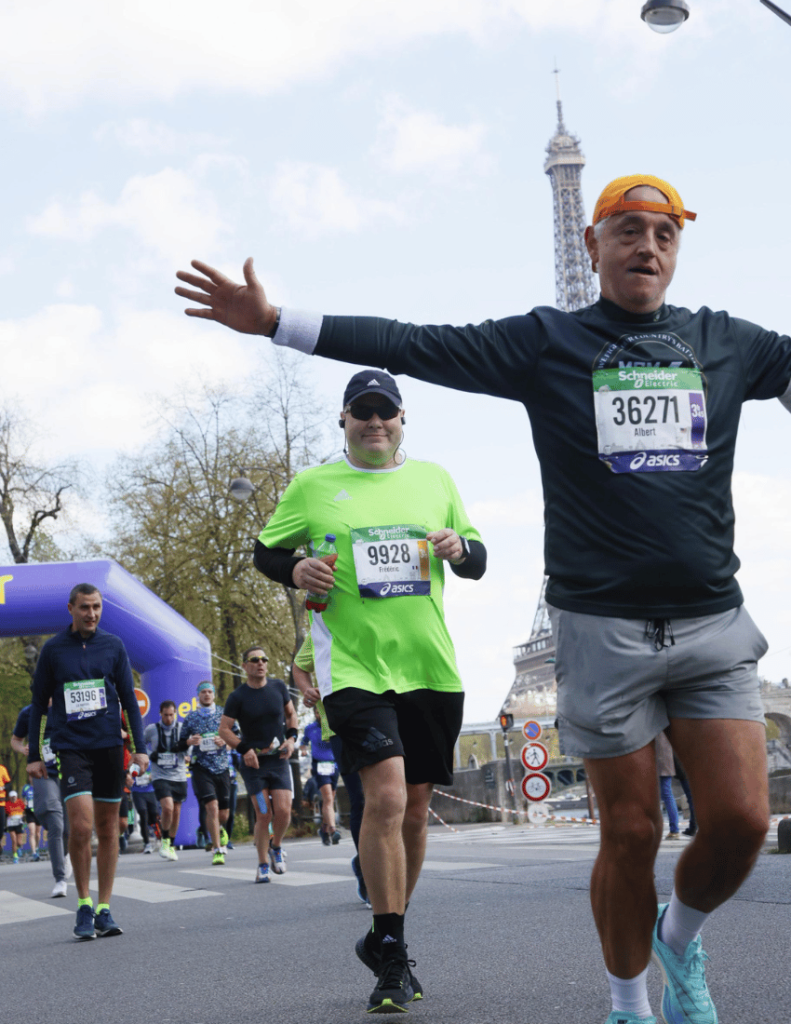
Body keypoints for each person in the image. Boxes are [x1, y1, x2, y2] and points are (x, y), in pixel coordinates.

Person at [176, 172, 791, 1024]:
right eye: (627, 230)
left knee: (742, 823)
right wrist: (277, 322)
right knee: (633, 830)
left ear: (677, 248)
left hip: (711, 618)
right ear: (592, 243)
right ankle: (629, 1005)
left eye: (663, 233)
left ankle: (677, 935)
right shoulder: (548, 343)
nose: (646, 246)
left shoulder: (726, 342)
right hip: (598, 624)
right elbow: (415, 340)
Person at [228, 369, 485, 1012]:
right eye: (362, 413)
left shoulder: (435, 480)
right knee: (388, 793)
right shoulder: (315, 487)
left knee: (419, 809)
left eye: (386, 412)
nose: (376, 423)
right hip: (352, 670)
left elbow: (478, 559)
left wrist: (459, 547)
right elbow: (264, 553)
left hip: (429, 667)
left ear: (403, 419)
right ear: (343, 420)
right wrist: (294, 567)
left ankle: (383, 929)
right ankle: (394, 959)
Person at [26, 583, 148, 940]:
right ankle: (82, 903)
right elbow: (38, 706)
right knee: (80, 826)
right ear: (71, 609)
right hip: (71, 748)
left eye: (96, 607)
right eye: (84, 608)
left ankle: (104, 907)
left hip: (110, 746)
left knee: (109, 829)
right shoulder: (53, 650)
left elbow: (128, 698)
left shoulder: (113, 646)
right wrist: (34, 755)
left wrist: (139, 747)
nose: (91, 614)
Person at [292, 632, 369, 905]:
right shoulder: (322, 628)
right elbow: (300, 666)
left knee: (388, 797)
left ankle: (375, 861)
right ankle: (367, 868)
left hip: (379, 717)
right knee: (355, 797)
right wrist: (307, 691)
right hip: (338, 731)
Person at [219, 647, 297, 883]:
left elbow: (291, 714)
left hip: (279, 761)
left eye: (264, 659)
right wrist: (244, 749)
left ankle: (276, 846)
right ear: (245, 666)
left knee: (283, 811)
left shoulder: (278, 687)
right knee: (264, 813)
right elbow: (224, 729)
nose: (261, 663)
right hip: (254, 767)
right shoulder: (237, 697)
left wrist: (292, 739)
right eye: (255, 660)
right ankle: (263, 864)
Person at [11, 701, 71, 896]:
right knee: (56, 822)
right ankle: (60, 879)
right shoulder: (28, 712)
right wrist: (22, 749)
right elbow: (15, 740)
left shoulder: (66, 706)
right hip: (44, 772)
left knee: (69, 829)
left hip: (70, 769)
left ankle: (67, 853)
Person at [181, 681, 231, 864]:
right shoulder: (191, 717)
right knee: (211, 807)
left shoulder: (224, 714)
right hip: (201, 767)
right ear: (198, 696)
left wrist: (225, 741)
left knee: (224, 813)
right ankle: (217, 849)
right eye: (203, 692)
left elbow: (237, 737)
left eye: (210, 691)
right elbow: (180, 742)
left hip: (222, 767)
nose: (207, 695)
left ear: (214, 695)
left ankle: (221, 829)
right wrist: (189, 742)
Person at [145, 699, 189, 861]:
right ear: (160, 714)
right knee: (168, 808)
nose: (169, 719)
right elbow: (140, 745)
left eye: (171, 715)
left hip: (179, 776)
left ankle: (171, 844)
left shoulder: (182, 729)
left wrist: (188, 753)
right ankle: (164, 840)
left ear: (175, 714)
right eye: (165, 715)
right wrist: (151, 755)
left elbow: (189, 747)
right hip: (160, 775)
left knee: (176, 812)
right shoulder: (152, 729)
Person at [301, 705, 341, 846]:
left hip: (334, 764)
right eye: (317, 712)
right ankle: (333, 830)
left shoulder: (333, 726)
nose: (319, 714)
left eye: (321, 712)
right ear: (315, 713)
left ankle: (323, 830)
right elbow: (303, 742)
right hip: (319, 764)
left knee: (330, 799)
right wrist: (304, 750)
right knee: (328, 798)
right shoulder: (310, 728)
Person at [655, 731, 680, 841]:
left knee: (662, 795)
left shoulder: (651, 725)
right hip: (666, 763)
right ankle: (674, 830)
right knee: (667, 794)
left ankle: (670, 830)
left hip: (657, 763)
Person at [130, 761, 159, 853]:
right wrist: (130, 779)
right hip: (138, 792)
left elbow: (157, 773)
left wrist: (151, 776)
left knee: (155, 815)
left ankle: (159, 837)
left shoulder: (150, 763)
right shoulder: (131, 764)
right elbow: (127, 777)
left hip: (150, 791)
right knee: (143, 815)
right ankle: (147, 843)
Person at [5, 791, 26, 862]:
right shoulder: (7, 804)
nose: (13, 798)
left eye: (14, 796)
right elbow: (6, 813)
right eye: (12, 797)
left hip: (19, 823)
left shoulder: (20, 802)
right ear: (9, 797)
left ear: (16, 797)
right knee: (14, 840)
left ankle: (19, 848)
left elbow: (23, 811)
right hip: (11, 824)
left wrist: (22, 816)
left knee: (19, 842)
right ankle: (15, 856)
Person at [21, 783, 40, 860]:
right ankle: (34, 852)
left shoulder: (39, 785)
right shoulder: (26, 787)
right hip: (29, 812)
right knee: (32, 832)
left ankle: (37, 847)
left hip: (38, 811)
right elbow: (23, 798)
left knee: (37, 833)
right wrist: (24, 802)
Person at [0, 760, 9, 854]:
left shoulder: (2, 769)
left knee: (1, 826)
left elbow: (8, 783)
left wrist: (3, 788)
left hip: (1, 803)